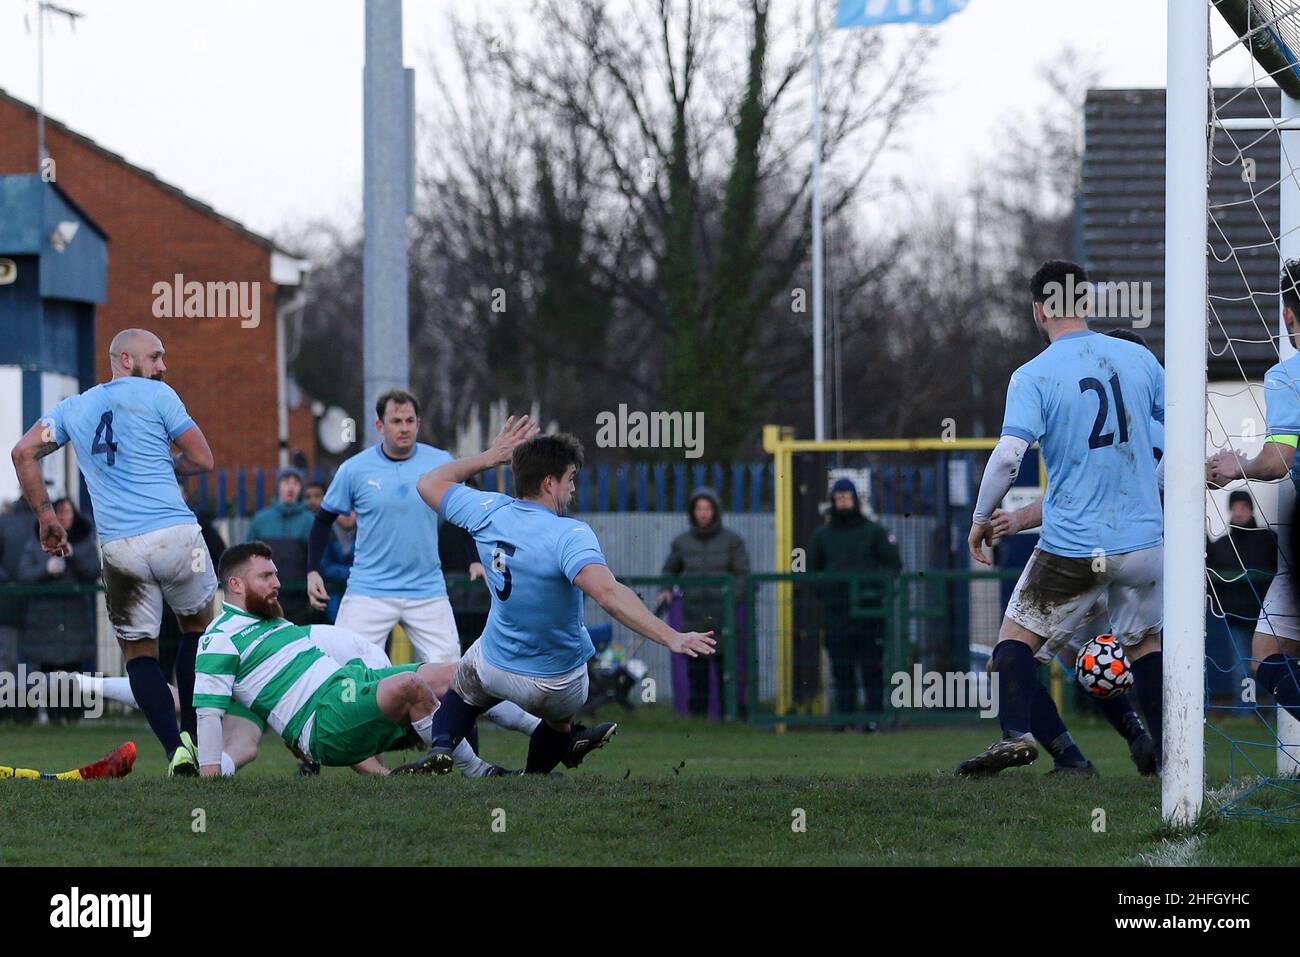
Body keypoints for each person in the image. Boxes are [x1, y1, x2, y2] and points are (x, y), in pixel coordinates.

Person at [394, 419, 715, 776]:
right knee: (559, 721)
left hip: (497, 666)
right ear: (550, 483)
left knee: (463, 686)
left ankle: (441, 746)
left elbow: (428, 483)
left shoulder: (487, 511)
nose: (573, 488)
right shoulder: (571, 534)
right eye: (570, 479)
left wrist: (490, 457)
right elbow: (609, 594)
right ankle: (536, 773)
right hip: (558, 682)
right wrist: (671, 635)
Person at [959, 260, 1165, 777]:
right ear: (1088, 303)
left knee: (1013, 646)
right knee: (1145, 646)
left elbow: (1008, 456)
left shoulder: (1034, 374)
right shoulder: (1139, 360)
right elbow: (1179, 430)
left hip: (1077, 546)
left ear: (1039, 310)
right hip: (1145, 543)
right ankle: (1169, 752)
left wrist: (982, 516)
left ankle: (1018, 736)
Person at [10, 328, 216, 776]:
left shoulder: (73, 408)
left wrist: (46, 517)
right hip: (176, 535)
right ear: (125, 359)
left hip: (121, 547)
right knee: (198, 630)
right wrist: (169, 465)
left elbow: (23, 452)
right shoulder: (159, 396)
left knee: (139, 655)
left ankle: (174, 750)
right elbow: (202, 459)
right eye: (156, 357)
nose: (163, 367)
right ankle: (196, 739)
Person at [1206, 259, 1300, 725]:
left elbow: (1278, 458)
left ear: (1287, 317)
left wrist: (1233, 466)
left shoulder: (1287, 376)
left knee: (1265, 658)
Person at [306, 390, 461, 664]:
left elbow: (466, 512)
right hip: (369, 588)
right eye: (396, 421)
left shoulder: (441, 463)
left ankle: (434, 710)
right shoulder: (354, 469)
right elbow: (323, 521)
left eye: (409, 421)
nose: (404, 428)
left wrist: (475, 559)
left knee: (449, 670)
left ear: (418, 424)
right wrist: (312, 570)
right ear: (380, 426)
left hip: (426, 589)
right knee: (345, 668)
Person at [809, 477, 900, 726]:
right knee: (841, 669)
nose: (843, 502)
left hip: (870, 614)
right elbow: (810, 572)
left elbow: (893, 565)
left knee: (872, 668)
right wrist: (827, 593)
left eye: (847, 497)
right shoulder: (822, 535)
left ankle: (873, 719)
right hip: (837, 614)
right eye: (838, 498)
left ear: (855, 499)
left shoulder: (873, 531)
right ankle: (844, 719)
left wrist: (877, 593)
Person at [657, 487, 750, 717]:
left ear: (715, 511)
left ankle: (730, 719)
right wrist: (666, 589)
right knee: (696, 674)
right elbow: (670, 570)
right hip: (694, 616)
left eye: (708, 508)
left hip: (724, 619)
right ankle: (698, 722)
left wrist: (732, 598)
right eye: (699, 508)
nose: (703, 513)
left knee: (726, 672)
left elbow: (743, 574)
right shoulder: (682, 542)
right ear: (693, 512)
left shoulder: (732, 541)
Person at [17, 498, 101, 722]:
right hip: (44, 618)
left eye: (67, 511)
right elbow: (24, 574)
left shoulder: (84, 540)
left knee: (74, 670)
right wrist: (45, 569)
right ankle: (52, 715)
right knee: (48, 670)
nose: (63, 516)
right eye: (59, 512)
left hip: (75, 619)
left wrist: (73, 556)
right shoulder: (37, 540)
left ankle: (73, 715)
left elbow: (94, 570)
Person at [1206, 490, 1277, 696]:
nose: (1239, 512)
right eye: (1235, 508)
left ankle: (1279, 712)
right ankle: (1245, 712)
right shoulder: (1222, 546)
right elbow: (1211, 577)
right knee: (1241, 667)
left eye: (1243, 507)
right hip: (1236, 619)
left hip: (1269, 618)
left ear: (1251, 510)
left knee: (1275, 665)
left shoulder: (1269, 540)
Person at [246, 466, 313, 624]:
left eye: (296, 483)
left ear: (301, 489)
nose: (291, 487)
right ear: (278, 487)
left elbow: (317, 558)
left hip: (299, 598)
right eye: (286, 482)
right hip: (266, 598)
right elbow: (248, 558)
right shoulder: (261, 520)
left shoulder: (310, 521)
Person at [0, 499, 33, 720]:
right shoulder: (41, 522)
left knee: (8, 658)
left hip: (8, 601)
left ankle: (8, 709)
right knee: (30, 660)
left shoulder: (5, 522)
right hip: (38, 603)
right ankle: (28, 710)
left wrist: (8, 580)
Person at [319, 509, 357, 623]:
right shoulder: (324, 533)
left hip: (360, 598)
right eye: (342, 510)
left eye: (352, 510)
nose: (347, 514)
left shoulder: (366, 533)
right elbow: (324, 568)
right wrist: (354, 572)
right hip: (330, 600)